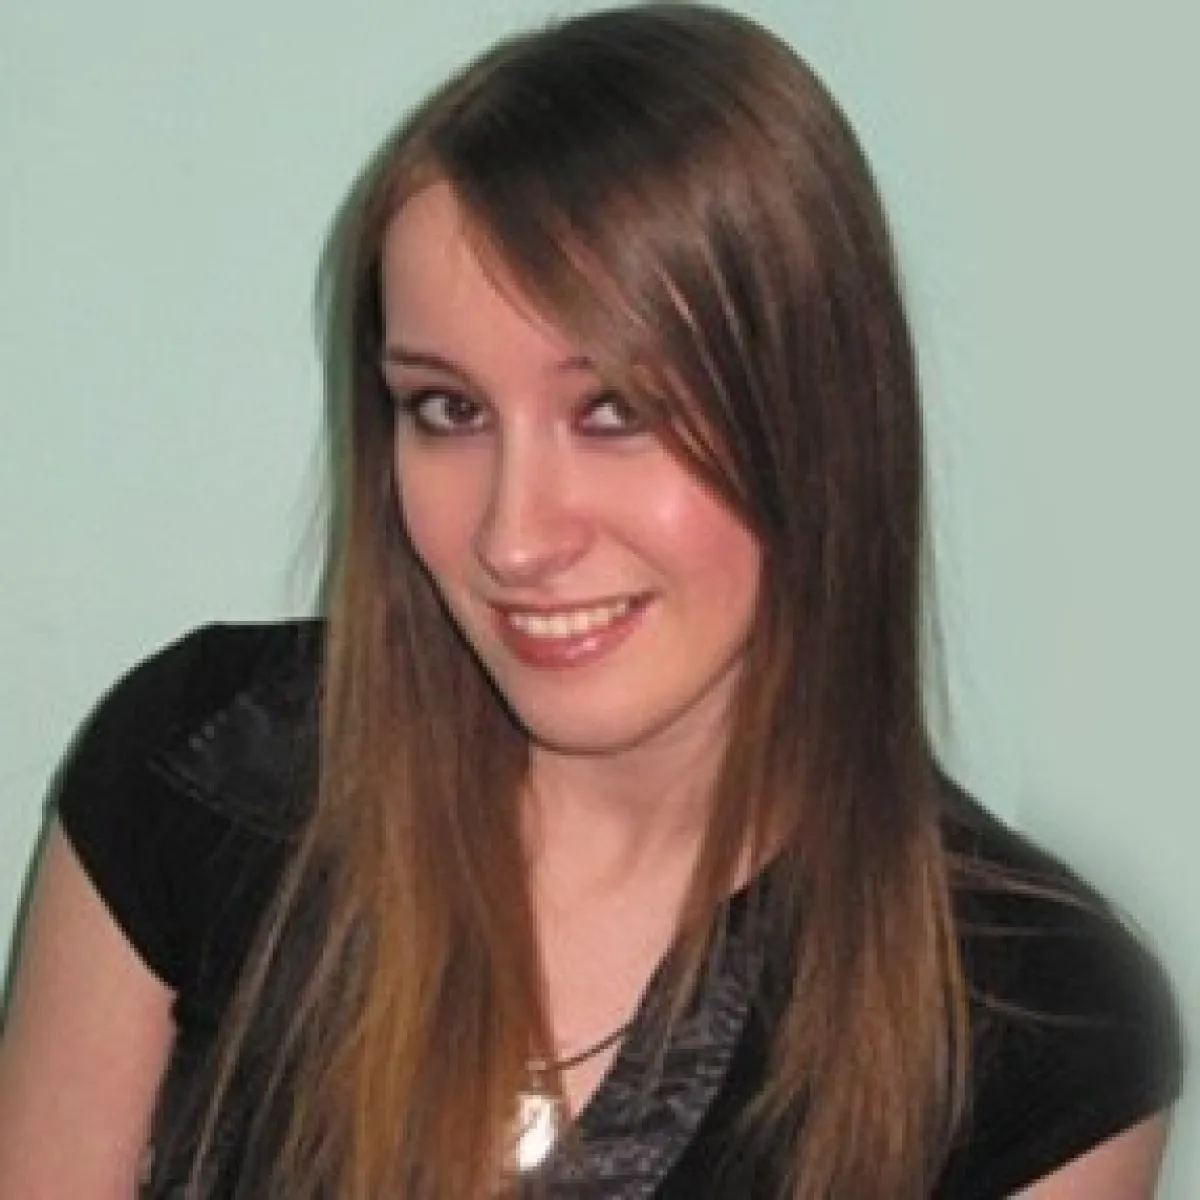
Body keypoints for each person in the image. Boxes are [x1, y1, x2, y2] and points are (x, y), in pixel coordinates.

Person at [0, 4, 1183, 1197]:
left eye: (617, 411)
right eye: (448, 410)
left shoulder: (1036, 1029)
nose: (515, 538)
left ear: (816, 421)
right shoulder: (201, 773)